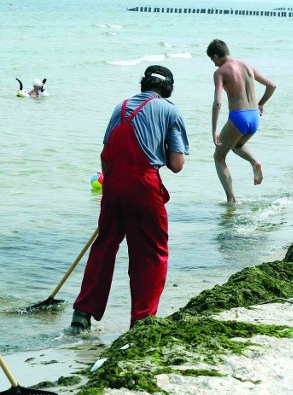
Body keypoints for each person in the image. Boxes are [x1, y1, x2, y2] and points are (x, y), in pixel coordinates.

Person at [71, 65, 189, 331]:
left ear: (143, 84)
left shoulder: (120, 107)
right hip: (144, 186)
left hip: (112, 184)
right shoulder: (170, 110)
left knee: (105, 247)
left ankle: (82, 312)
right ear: (168, 88)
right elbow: (177, 164)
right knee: (151, 252)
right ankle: (142, 319)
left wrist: (115, 189)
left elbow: (104, 155)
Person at [207, 39, 276, 204]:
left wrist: (214, 130)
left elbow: (217, 102)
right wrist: (260, 104)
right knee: (236, 146)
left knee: (219, 156)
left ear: (216, 56)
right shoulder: (247, 66)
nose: (214, 65)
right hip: (254, 117)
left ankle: (231, 199)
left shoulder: (220, 72)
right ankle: (255, 162)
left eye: (213, 60)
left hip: (239, 116)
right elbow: (272, 85)